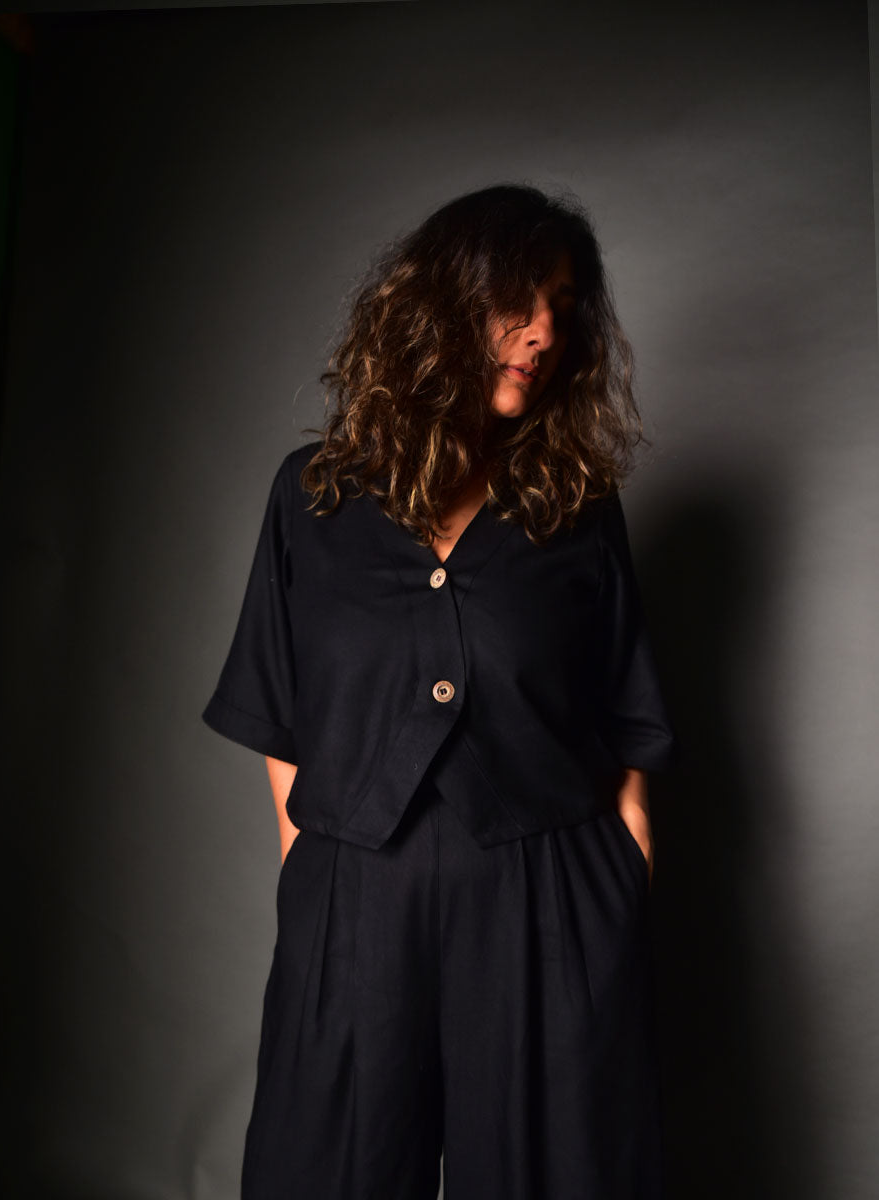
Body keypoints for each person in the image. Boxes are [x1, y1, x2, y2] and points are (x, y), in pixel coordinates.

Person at [202, 183, 679, 1200]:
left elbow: (630, 719)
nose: (543, 330)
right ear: (443, 304)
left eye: (562, 307)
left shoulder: (577, 508)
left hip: (547, 903)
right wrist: (321, 882)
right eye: (519, 298)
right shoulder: (313, 498)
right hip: (356, 898)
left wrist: (622, 878)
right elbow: (279, 711)